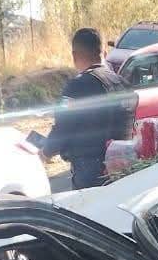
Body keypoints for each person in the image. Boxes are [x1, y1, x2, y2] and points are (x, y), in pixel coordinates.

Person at [42, 27, 135, 189]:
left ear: (74, 55)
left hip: (90, 171)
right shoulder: (122, 83)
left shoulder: (77, 87)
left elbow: (63, 127)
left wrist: (45, 152)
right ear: (103, 52)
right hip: (122, 168)